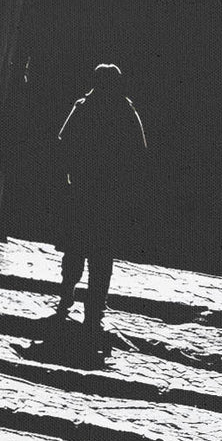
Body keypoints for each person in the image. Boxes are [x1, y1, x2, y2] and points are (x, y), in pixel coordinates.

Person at [53, 63, 148, 342]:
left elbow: (64, 141)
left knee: (76, 247)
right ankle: (94, 309)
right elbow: (139, 152)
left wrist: (66, 176)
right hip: (109, 195)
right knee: (101, 254)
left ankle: (67, 293)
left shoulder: (84, 107)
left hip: (84, 190)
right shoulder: (126, 111)